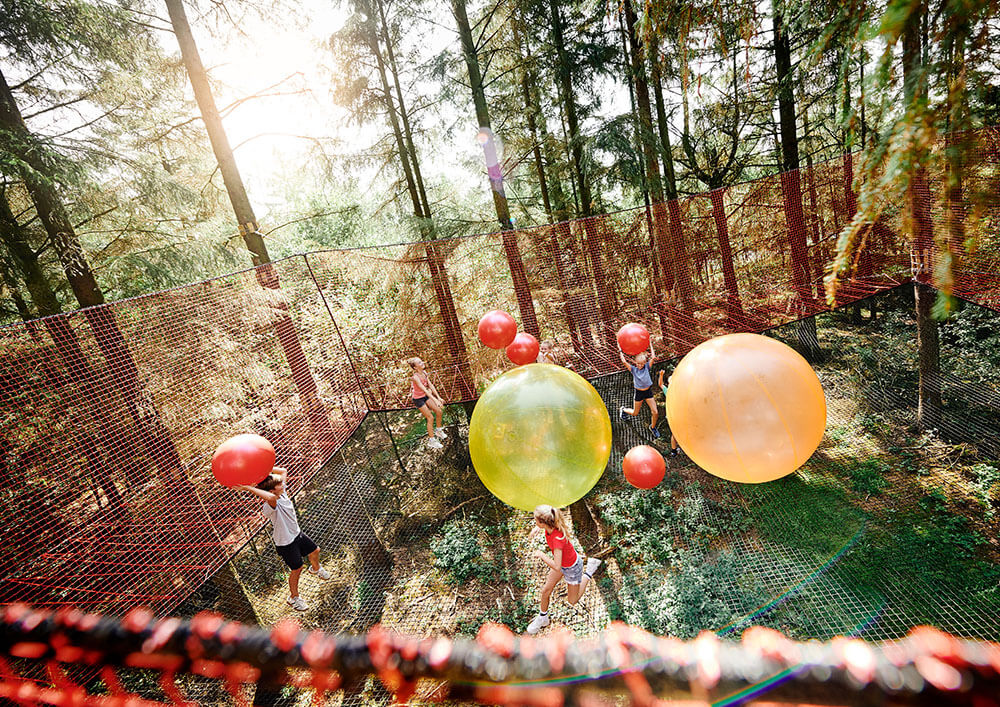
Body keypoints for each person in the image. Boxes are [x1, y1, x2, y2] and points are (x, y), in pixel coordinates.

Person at [238, 467, 330, 611]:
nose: (283, 485)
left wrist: (265, 468)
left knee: (315, 550)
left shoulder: (283, 494)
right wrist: (249, 488)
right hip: (286, 543)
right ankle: (293, 598)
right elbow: (270, 498)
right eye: (279, 484)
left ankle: (316, 569)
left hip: (296, 534)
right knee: (297, 568)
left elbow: (284, 471)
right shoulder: (271, 504)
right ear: (272, 491)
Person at [525, 505, 602, 634]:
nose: (535, 523)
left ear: (543, 523)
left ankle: (589, 571)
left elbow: (556, 566)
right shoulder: (550, 526)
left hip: (572, 568)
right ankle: (543, 618)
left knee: (572, 600)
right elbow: (558, 565)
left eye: (536, 521)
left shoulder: (557, 539)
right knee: (546, 591)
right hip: (561, 563)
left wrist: (542, 555)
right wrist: (536, 529)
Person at [618, 344, 660, 438]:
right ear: (635, 362)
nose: (640, 365)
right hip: (639, 393)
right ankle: (623, 409)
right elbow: (624, 362)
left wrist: (650, 344)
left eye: (642, 364)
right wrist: (620, 350)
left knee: (655, 412)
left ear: (645, 363)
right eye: (638, 363)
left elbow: (653, 357)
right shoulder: (633, 369)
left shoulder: (647, 367)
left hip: (648, 392)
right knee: (635, 413)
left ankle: (652, 427)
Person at [408, 357, 447, 449]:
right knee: (430, 417)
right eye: (419, 363)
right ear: (415, 367)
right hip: (418, 399)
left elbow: (430, 386)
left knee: (439, 411)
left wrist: (438, 397)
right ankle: (432, 440)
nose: (422, 363)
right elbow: (425, 390)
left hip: (425, 396)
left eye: (421, 361)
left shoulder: (424, 373)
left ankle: (438, 430)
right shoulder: (415, 378)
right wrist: (435, 400)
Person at [658, 369, 683, 457]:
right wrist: (661, 375)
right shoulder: (670, 392)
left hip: (676, 416)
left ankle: (674, 450)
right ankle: (674, 450)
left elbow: (661, 384)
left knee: (676, 433)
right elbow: (660, 384)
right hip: (675, 416)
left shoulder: (672, 391)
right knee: (676, 433)